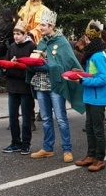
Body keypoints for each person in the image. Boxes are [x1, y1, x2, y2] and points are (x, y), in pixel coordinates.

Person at [28, 10, 85, 163]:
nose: (40, 27)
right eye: (40, 24)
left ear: (52, 26)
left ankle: (67, 149)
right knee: (46, 118)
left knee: (60, 118)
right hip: (41, 84)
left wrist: (47, 65)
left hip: (56, 86)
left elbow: (66, 64)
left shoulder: (62, 42)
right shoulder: (42, 41)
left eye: (43, 25)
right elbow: (36, 61)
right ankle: (47, 148)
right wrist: (31, 64)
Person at [69, 20, 106, 172]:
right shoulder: (93, 54)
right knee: (90, 127)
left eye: (85, 38)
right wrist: (80, 74)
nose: (84, 40)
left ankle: (100, 159)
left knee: (97, 129)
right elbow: (93, 75)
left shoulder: (98, 56)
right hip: (91, 96)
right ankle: (90, 155)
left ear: (90, 39)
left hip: (97, 98)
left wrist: (82, 80)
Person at [1, 19, 36, 155]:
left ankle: (26, 144)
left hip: (25, 87)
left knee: (26, 117)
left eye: (19, 34)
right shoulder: (12, 47)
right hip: (12, 86)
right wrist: (8, 68)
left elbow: (32, 67)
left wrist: (17, 68)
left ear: (25, 33)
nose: (16, 36)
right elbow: (7, 64)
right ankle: (15, 142)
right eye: (14, 34)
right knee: (12, 117)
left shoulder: (31, 46)